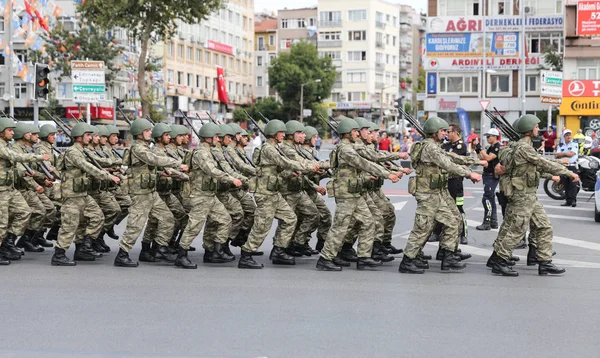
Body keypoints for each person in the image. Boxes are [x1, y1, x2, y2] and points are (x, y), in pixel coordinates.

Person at [489, 115, 579, 277]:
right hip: (522, 195)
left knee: (544, 226)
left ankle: (544, 262)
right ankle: (500, 260)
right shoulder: (524, 148)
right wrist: (567, 172)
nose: (539, 129)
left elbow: (537, 166)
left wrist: (559, 168)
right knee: (517, 229)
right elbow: (542, 163)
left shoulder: (524, 146)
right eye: (537, 126)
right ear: (529, 130)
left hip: (529, 194)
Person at [399, 117, 483, 274]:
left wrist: (472, 161)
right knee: (424, 227)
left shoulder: (434, 146)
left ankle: (446, 253)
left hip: (436, 192)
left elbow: (449, 158)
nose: (445, 133)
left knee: (453, 220)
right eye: (443, 131)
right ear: (434, 132)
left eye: (446, 131)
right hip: (428, 193)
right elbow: (448, 164)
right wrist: (469, 173)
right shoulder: (430, 148)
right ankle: (408, 260)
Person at [316, 118, 399, 271]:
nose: (357, 134)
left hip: (354, 192)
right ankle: (325, 258)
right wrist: (387, 174)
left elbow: (370, 158)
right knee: (340, 227)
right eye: (355, 131)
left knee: (369, 222)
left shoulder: (351, 147)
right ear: (347, 133)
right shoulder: (345, 149)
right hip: (346, 194)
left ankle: (364, 257)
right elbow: (364, 163)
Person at [239, 120, 320, 269]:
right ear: (274, 134)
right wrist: (311, 166)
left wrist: (293, 172)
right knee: (262, 226)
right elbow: (285, 162)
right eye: (281, 132)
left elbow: (280, 171)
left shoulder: (275, 147)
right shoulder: (268, 149)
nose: (284, 135)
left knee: (290, 219)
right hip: (265, 193)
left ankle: (278, 250)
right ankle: (246, 255)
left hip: (274, 192)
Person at [114, 118, 188, 268]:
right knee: (135, 225)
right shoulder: (138, 149)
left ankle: (160, 248)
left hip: (151, 192)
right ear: (139, 134)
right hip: (140, 193)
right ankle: (122, 254)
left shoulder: (146, 147)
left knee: (167, 218)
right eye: (147, 131)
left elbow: (153, 168)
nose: (150, 133)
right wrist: (177, 163)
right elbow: (154, 160)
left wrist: (178, 173)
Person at [176, 123, 242, 269]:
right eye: (216, 137)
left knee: (225, 220)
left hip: (210, 195)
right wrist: (231, 179)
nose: (218, 139)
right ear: (208, 137)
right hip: (200, 196)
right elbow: (211, 170)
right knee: (194, 226)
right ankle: (181, 255)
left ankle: (215, 251)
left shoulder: (210, 151)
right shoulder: (201, 153)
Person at [53, 123, 120, 266]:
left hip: (82, 193)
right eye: (88, 135)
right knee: (70, 225)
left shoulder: (83, 151)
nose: (90, 138)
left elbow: (98, 162)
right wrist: (108, 176)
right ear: (79, 137)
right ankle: (59, 254)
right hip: (71, 195)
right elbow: (87, 167)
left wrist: (114, 163)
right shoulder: (73, 152)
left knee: (97, 217)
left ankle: (83, 247)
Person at [0, 118, 50, 264]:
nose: (12, 133)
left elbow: (11, 167)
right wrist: (40, 157)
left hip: (10, 188)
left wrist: (22, 173)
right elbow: (16, 157)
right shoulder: (2, 146)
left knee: (25, 212)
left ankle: (9, 242)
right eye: (9, 130)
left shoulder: (6, 145)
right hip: (1, 190)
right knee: (2, 223)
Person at [476, 128, 501, 230]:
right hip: (487, 174)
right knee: (490, 198)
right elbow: (482, 159)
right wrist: (478, 150)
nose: (487, 138)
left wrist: (481, 148)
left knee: (486, 198)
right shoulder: (491, 147)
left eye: (489, 136)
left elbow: (488, 158)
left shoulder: (497, 147)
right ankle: (493, 221)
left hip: (492, 175)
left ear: (495, 137)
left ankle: (487, 222)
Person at [556, 129, 579, 207]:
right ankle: (568, 201)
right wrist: (566, 154)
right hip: (564, 166)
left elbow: (571, 154)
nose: (568, 136)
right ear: (564, 136)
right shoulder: (561, 145)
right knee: (565, 184)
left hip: (572, 166)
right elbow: (557, 155)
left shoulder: (574, 144)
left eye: (569, 134)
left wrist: (563, 154)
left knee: (572, 184)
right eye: (567, 135)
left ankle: (573, 201)